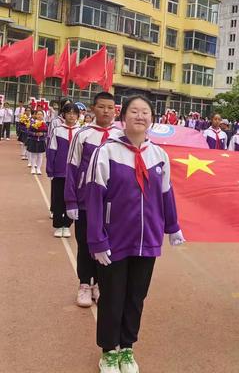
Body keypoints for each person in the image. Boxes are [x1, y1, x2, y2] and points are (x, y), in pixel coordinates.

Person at [85, 95, 185, 373]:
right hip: (114, 240)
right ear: (123, 117)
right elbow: (93, 198)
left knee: (135, 297)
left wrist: (172, 226)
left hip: (147, 240)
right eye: (134, 111)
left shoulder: (158, 155)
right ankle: (108, 351)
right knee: (112, 296)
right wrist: (96, 239)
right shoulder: (106, 152)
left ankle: (127, 347)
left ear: (152, 119)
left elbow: (166, 194)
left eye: (145, 112)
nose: (140, 116)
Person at [65, 92, 122, 308]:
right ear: (92, 109)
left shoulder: (121, 135)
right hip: (85, 201)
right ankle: (84, 284)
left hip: (112, 203)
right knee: (85, 243)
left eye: (110, 107)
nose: (106, 111)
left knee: (107, 244)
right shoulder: (83, 135)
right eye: (101, 107)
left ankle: (100, 283)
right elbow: (71, 168)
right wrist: (71, 201)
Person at [46, 104, 81, 238]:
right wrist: (50, 169)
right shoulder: (57, 130)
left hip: (75, 172)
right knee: (58, 198)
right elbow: (51, 150)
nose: (71, 116)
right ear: (64, 114)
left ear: (78, 115)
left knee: (71, 198)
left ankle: (67, 224)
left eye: (74, 113)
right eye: (69, 113)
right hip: (60, 170)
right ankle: (58, 224)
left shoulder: (81, 131)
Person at [26, 109, 48, 174]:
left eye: (41, 114)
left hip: (41, 141)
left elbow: (48, 133)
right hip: (33, 140)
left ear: (43, 116)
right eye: (38, 114)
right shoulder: (32, 123)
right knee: (33, 155)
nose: (39, 116)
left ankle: (38, 169)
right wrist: (35, 134)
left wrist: (43, 134)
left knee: (40, 155)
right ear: (36, 115)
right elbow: (28, 131)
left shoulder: (45, 124)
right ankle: (33, 168)